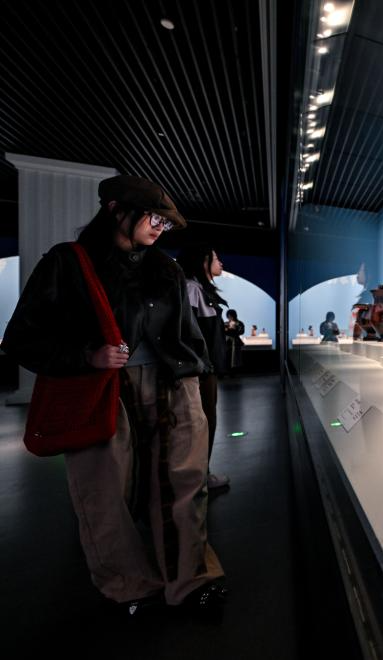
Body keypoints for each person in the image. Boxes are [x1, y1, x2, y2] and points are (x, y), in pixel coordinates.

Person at [2, 175, 226, 617]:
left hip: (172, 386)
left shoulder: (165, 268)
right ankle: (128, 584)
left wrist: (197, 378)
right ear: (115, 209)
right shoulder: (68, 262)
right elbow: (21, 339)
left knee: (185, 482)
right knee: (104, 489)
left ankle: (190, 579)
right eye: (152, 217)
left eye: (165, 222)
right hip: (102, 390)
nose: (160, 227)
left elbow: (187, 335)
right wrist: (88, 356)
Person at [177, 244, 231, 491]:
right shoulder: (191, 289)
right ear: (203, 262)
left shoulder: (198, 289)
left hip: (205, 368)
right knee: (202, 421)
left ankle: (200, 475)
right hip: (200, 370)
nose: (220, 263)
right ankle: (199, 478)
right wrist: (200, 365)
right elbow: (188, 333)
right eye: (216, 258)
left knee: (206, 419)